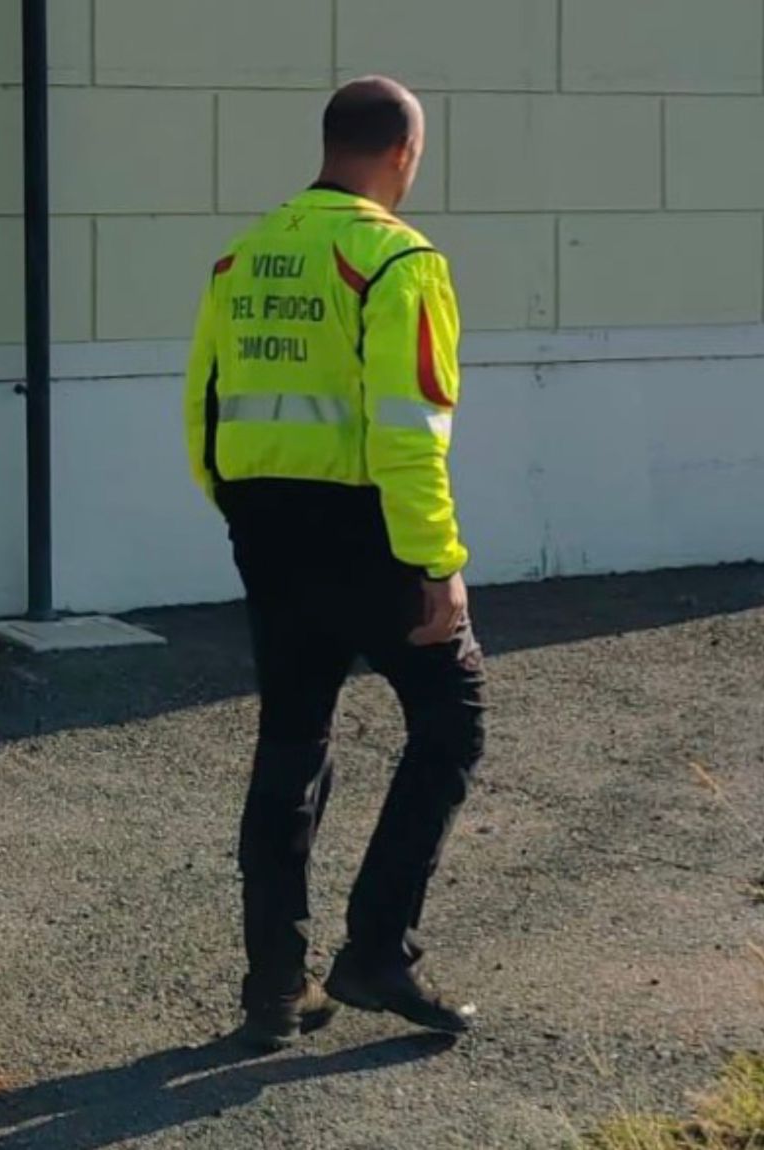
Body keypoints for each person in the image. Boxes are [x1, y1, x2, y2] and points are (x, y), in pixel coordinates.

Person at [182, 76, 485, 1050]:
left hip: (265, 532)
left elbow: (203, 409)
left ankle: (274, 989)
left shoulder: (243, 256)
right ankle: (374, 953)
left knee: (292, 741)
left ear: (329, 146)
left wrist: (244, 516)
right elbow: (410, 432)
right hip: (371, 534)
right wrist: (437, 563)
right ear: (404, 154)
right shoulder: (398, 260)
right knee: (452, 716)